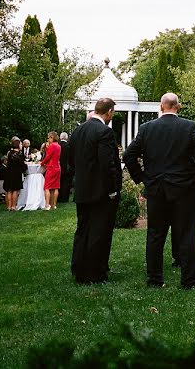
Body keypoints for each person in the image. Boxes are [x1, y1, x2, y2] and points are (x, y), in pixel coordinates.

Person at [123, 93, 195, 288]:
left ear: (161, 107)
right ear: (178, 107)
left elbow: (129, 155)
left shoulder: (147, 129)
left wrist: (142, 178)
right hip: (184, 189)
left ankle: (155, 279)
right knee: (186, 233)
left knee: (155, 234)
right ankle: (189, 280)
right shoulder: (188, 126)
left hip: (156, 188)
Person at [70, 98, 121, 284]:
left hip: (83, 189)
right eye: (112, 112)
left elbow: (71, 161)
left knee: (82, 229)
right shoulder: (104, 132)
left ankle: (79, 269)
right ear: (108, 112)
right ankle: (96, 273)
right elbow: (107, 164)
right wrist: (112, 190)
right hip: (100, 191)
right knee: (99, 232)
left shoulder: (78, 131)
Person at [2, 138, 26, 211]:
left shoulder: (9, 153)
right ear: (18, 145)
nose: (22, 145)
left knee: (9, 190)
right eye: (21, 144)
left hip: (8, 173)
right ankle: (13, 206)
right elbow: (22, 165)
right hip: (16, 173)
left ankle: (8, 206)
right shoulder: (19, 154)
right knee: (15, 190)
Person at [41, 131, 61, 210]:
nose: (48, 139)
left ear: (52, 138)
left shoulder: (52, 146)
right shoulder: (58, 146)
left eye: (49, 138)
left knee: (47, 187)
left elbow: (48, 156)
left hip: (51, 167)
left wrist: (42, 163)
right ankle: (54, 205)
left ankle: (47, 205)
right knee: (55, 187)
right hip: (57, 167)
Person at [57, 132, 72, 203]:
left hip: (58, 166)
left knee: (58, 182)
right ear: (67, 138)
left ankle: (58, 197)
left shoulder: (57, 145)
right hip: (67, 167)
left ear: (60, 137)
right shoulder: (69, 146)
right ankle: (65, 198)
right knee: (66, 183)